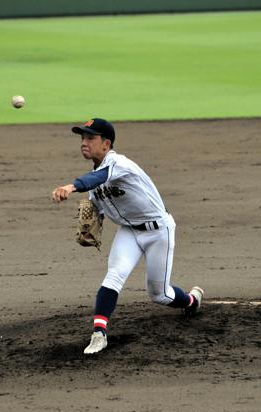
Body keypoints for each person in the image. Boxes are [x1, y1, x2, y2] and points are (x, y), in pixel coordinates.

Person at [51, 118, 204, 355]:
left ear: (106, 143)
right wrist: (92, 224)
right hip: (129, 232)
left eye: (90, 138)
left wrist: (72, 187)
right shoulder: (96, 177)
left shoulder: (117, 163)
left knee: (159, 294)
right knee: (114, 276)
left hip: (158, 231)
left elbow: (97, 179)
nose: (84, 142)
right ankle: (99, 334)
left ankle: (192, 302)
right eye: (82, 138)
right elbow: (97, 208)